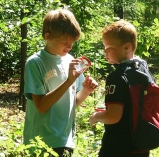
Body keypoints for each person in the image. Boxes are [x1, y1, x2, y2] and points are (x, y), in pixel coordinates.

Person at [23, 8, 98, 156]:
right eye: (64, 41)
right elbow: (41, 106)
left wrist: (86, 90)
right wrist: (69, 81)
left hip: (66, 140)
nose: (69, 46)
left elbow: (73, 102)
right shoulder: (35, 63)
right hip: (42, 141)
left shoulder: (70, 60)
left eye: (72, 42)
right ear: (48, 36)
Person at [89, 20, 150, 157]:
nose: (105, 52)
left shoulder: (116, 77)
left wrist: (96, 117)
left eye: (109, 47)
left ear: (126, 47)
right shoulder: (144, 71)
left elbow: (113, 116)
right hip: (141, 145)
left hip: (118, 147)